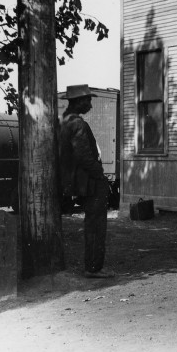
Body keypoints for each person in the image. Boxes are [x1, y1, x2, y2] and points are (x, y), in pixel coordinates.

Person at [59, 84, 113, 279]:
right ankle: (94, 267)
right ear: (78, 102)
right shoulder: (78, 124)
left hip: (78, 181)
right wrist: (100, 175)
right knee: (96, 225)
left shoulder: (64, 121)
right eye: (88, 100)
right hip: (90, 182)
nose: (90, 105)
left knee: (93, 224)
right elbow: (84, 157)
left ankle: (93, 266)